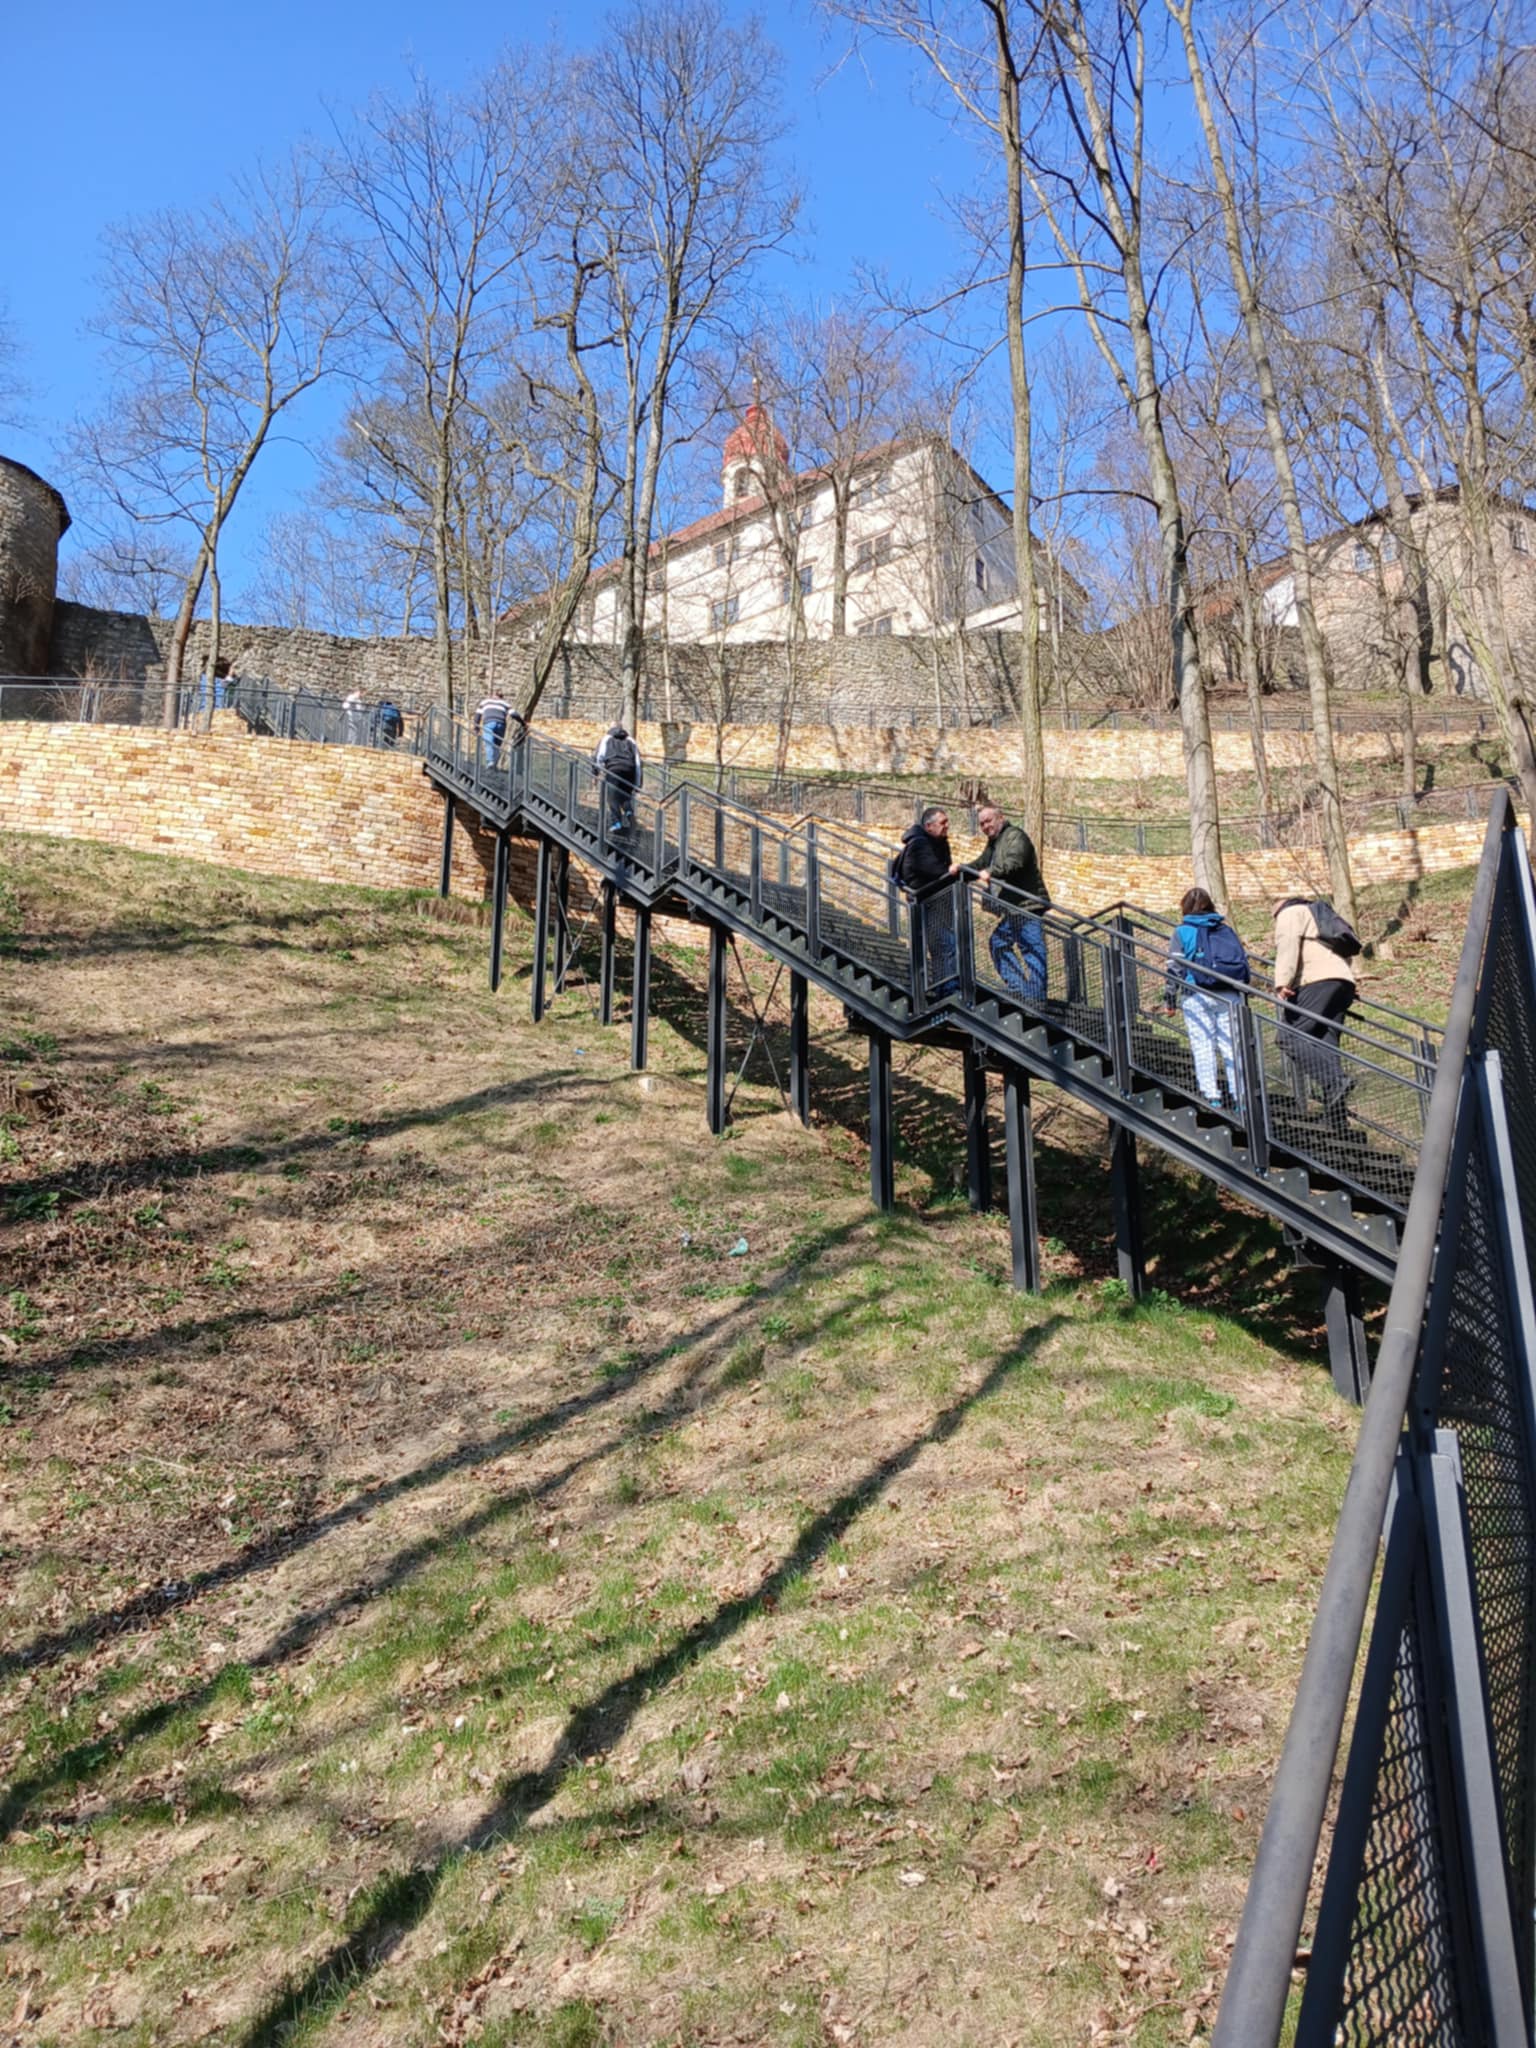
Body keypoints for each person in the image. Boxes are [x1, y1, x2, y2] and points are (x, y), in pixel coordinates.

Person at [1165, 887, 1251, 1111]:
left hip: (1197, 994)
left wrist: (1170, 999)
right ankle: (1240, 1098)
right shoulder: (1224, 929)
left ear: (1184, 907)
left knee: (1203, 1044)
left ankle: (1212, 1096)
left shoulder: (1182, 932)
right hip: (1229, 994)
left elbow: (1174, 968)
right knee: (1232, 1046)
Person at [1273, 894, 1359, 1119]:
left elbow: (1288, 945)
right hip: (1342, 982)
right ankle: (1336, 1117)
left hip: (1315, 979)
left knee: (1287, 1037)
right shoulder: (1320, 914)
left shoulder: (1290, 913)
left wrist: (1283, 981)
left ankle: (1335, 1082)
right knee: (1326, 1043)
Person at [973, 802, 1048, 1003]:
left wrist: (991, 872)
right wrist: (960, 871)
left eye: (988, 821)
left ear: (1001, 817)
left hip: (1027, 904)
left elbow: (1015, 862)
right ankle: (1022, 991)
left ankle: (1036, 998)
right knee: (998, 943)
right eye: (981, 824)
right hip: (1014, 908)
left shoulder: (1015, 836)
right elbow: (980, 864)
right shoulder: (994, 844)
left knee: (1031, 949)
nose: (985, 826)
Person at [894, 805, 961, 992]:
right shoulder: (919, 845)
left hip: (939, 902)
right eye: (943, 822)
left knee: (942, 945)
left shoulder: (940, 842)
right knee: (945, 943)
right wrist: (950, 872)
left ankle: (945, 987)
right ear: (929, 826)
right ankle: (948, 989)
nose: (947, 826)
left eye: (947, 822)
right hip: (926, 903)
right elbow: (933, 869)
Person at [593, 722, 642, 830]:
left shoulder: (606, 738)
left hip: (614, 769)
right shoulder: (631, 740)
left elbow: (598, 757)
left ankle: (616, 822)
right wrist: (638, 784)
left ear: (611, 728)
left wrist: (596, 773)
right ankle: (629, 812)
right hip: (629, 770)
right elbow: (638, 762)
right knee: (625, 795)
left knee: (612, 796)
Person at [475, 689, 511, 768]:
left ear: (492, 695)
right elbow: (514, 714)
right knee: (497, 745)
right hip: (501, 724)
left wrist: (476, 727)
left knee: (489, 742)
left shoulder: (485, 702)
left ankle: (490, 762)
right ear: (501, 697)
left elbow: (478, 715)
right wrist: (523, 723)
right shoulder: (504, 703)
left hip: (489, 723)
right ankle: (494, 764)